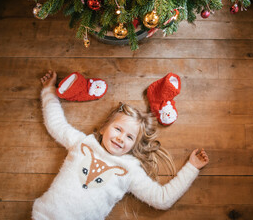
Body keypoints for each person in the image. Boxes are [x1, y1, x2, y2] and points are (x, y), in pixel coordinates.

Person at [33, 70, 209, 220]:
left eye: (130, 137)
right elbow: (56, 124)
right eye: (118, 129)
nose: (121, 138)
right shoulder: (83, 143)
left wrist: (192, 167)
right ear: (103, 129)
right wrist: (49, 91)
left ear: (133, 146)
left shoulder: (129, 170)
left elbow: (162, 199)